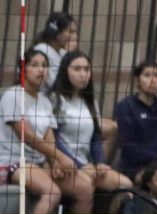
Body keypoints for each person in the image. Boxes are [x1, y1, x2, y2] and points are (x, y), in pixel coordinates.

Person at [0, 47, 93, 214]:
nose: (40, 70)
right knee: (51, 191)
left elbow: (49, 135)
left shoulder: (43, 100)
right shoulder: (13, 95)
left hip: (39, 162)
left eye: (44, 65)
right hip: (13, 161)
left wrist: (54, 162)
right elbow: (27, 136)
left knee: (85, 187)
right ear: (22, 69)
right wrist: (59, 157)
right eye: (35, 65)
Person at [50, 49, 132, 201]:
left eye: (86, 69)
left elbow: (95, 137)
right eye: (77, 69)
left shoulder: (89, 102)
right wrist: (80, 164)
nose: (83, 74)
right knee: (86, 186)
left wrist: (100, 162)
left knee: (125, 184)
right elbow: (54, 140)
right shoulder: (56, 100)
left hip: (85, 164)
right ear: (64, 71)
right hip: (62, 164)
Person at [33, 12, 76, 91]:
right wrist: (68, 56)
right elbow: (56, 85)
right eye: (71, 32)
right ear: (58, 33)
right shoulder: (41, 51)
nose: (74, 37)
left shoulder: (62, 52)